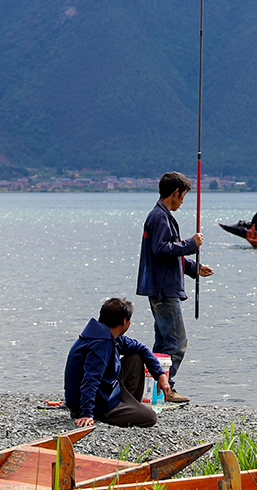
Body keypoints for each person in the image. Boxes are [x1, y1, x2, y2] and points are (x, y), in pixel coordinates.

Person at [136, 171, 213, 405]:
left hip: (160, 288)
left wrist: (193, 268)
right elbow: (162, 249)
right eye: (182, 197)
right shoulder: (160, 217)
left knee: (161, 345)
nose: (182, 202)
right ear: (175, 192)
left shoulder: (161, 215)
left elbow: (169, 254)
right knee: (177, 343)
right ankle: (166, 389)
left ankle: (151, 389)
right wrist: (191, 244)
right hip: (164, 291)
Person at [64, 297, 170, 428]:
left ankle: (129, 406)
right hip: (94, 403)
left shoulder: (109, 335)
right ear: (125, 321)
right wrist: (86, 413)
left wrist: (160, 374)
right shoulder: (101, 343)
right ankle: (111, 412)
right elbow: (91, 379)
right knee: (150, 417)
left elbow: (141, 348)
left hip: (107, 390)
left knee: (135, 358)